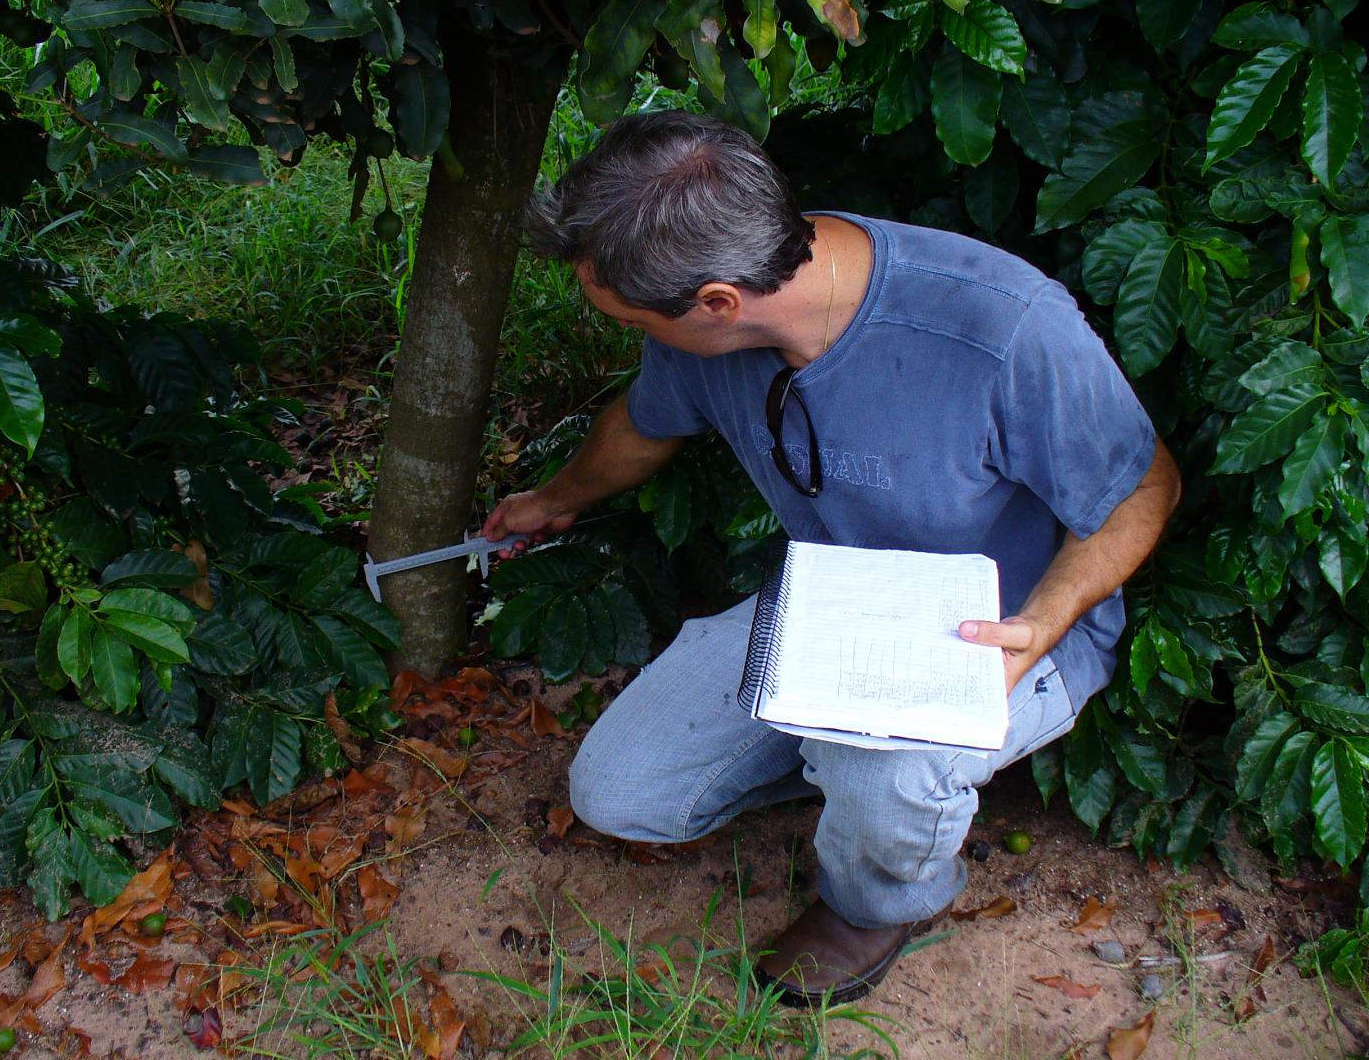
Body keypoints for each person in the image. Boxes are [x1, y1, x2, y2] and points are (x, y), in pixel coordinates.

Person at [482, 111, 1180, 1006]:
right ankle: (855, 781)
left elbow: (1142, 484)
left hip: (996, 628)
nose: (635, 339)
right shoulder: (707, 329)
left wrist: (1040, 624)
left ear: (719, 303)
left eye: (631, 322)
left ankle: (878, 896)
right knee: (621, 792)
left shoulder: (999, 325)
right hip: (824, 607)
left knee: (883, 763)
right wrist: (554, 501)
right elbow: (643, 422)